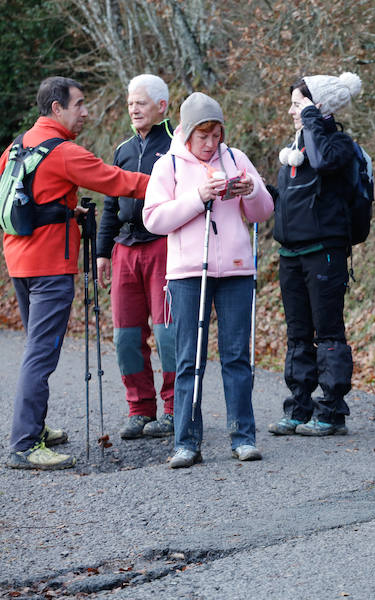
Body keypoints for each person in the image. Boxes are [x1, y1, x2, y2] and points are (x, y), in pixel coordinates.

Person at [3, 76, 150, 470]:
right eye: (80, 104)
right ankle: (24, 444)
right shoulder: (63, 151)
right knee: (42, 353)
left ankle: (34, 426)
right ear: (57, 108)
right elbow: (117, 181)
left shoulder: (17, 146)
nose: (86, 112)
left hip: (19, 261)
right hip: (50, 266)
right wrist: (172, 184)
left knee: (36, 350)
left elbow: (27, 203)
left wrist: (68, 212)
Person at [143, 92, 273, 468]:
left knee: (236, 357)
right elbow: (154, 219)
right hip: (187, 273)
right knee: (189, 359)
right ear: (187, 132)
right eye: (204, 135)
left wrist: (253, 190)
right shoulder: (168, 165)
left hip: (235, 269)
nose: (211, 143)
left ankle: (243, 437)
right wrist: (198, 197)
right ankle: (186, 443)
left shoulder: (236, 159)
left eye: (217, 134)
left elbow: (264, 212)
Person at [267, 72, 361, 437]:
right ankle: (299, 408)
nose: (292, 110)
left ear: (317, 106)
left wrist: (311, 119)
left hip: (325, 252)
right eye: (292, 104)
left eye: (298, 103)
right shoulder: (295, 150)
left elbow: (323, 163)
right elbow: (293, 201)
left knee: (329, 333)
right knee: (298, 334)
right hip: (291, 254)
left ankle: (332, 411)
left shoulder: (337, 144)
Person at [96, 74, 177, 440]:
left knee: (167, 334)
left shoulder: (179, 146)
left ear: (162, 106)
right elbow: (110, 204)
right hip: (125, 250)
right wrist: (101, 252)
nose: (133, 108)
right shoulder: (123, 149)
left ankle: (175, 408)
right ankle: (140, 409)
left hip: (164, 245)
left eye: (140, 102)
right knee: (126, 336)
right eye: (130, 102)